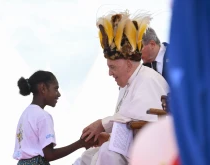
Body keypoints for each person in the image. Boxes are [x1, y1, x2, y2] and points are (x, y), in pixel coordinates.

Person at [73, 10, 169, 165]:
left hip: (155, 154)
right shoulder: (127, 85)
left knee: (107, 153)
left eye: (112, 67)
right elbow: (128, 121)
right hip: (135, 151)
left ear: (129, 64)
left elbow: (144, 120)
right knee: (87, 156)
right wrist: (108, 135)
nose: (110, 73)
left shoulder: (148, 79)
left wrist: (102, 124)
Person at [13, 70, 96, 165]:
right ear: (43, 88)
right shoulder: (43, 116)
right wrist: (80, 143)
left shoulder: (25, 114)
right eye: (56, 89)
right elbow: (49, 155)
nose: (59, 94)